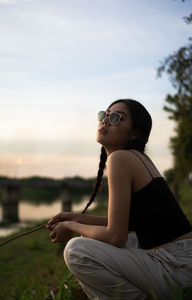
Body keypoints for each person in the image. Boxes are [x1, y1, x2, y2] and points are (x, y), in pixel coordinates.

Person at [46, 99, 192, 300]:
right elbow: (124, 223)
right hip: (181, 258)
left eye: (116, 118)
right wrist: (75, 217)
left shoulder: (120, 158)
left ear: (135, 133)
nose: (106, 121)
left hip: (177, 267)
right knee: (91, 240)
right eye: (104, 115)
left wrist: (71, 226)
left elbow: (116, 236)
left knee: (77, 249)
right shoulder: (137, 157)